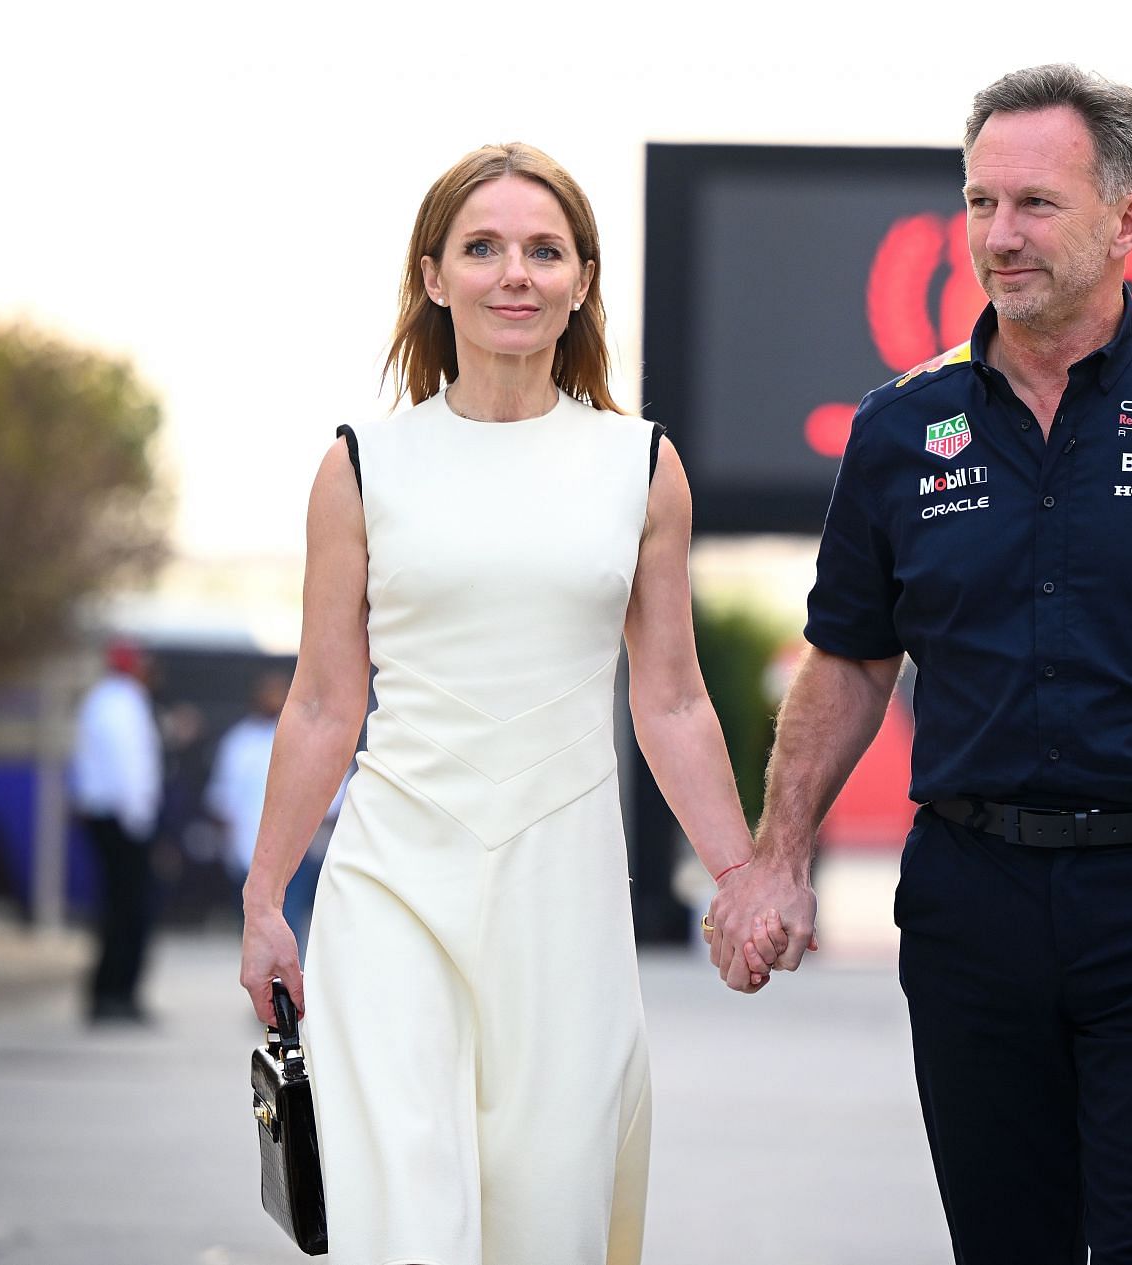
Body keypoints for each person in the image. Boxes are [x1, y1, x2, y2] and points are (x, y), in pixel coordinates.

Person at [713, 64, 1132, 1263]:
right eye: (978, 204)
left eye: (1033, 204)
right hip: (973, 906)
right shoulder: (899, 427)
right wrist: (778, 853)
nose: (997, 237)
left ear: (1128, 220)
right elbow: (849, 662)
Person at [236, 143, 769, 1265]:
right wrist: (265, 898)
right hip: (390, 882)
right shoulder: (360, 466)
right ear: (434, 276)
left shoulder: (640, 465)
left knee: (546, 1219)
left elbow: (671, 699)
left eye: (544, 249)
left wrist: (741, 876)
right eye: (482, 248)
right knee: (408, 1222)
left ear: (582, 279)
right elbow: (327, 703)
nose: (513, 274)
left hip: (561, 891)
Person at [205, 670, 341, 952]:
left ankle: (290, 992)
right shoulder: (239, 742)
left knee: (288, 924)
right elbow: (223, 800)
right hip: (248, 852)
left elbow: (335, 797)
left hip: (297, 853)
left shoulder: (311, 740)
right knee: (254, 930)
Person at [70, 639, 163, 1024]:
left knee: (115, 906)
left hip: (105, 815)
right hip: (123, 819)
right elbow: (129, 765)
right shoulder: (125, 702)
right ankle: (117, 992)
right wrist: (139, 819)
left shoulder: (99, 700)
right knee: (129, 909)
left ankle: (109, 991)